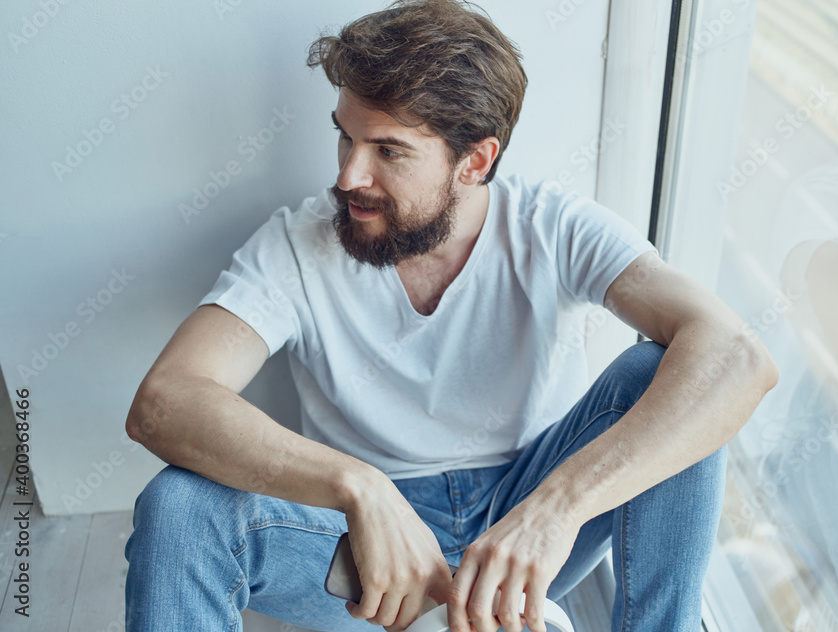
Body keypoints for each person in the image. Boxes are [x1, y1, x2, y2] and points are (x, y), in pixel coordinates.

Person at [122, 1, 778, 631]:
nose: (350, 175)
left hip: (526, 525)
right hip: (370, 555)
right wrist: (359, 487)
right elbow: (166, 401)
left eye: (388, 151)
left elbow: (737, 358)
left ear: (475, 161)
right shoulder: (298, 246)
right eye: (345, 138)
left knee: (671, 373)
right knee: (181, 507)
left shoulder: (551, 225)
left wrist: (553, 510)